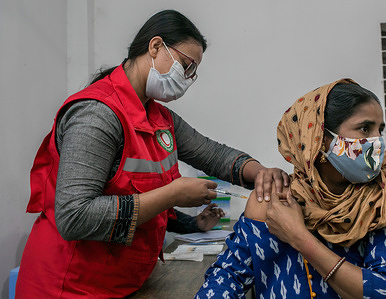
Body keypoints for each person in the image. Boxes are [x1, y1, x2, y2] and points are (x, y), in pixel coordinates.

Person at [15, 9, 289, 298]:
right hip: (69, 286)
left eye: (192, 72)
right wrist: (172, 194)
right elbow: (74, 216)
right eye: (185, 65)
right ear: (155, 46)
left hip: (124, 283)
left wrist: (260, 173)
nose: (187, 78)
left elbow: (211, 154)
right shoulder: (97, 115)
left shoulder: (159, 118)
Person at [195, 79, 386, 298]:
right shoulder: (274, 200)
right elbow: (228, 276)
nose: (377, 142)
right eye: (364, 128)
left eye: (379, 130)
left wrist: (300, 238)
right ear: (320, 138)